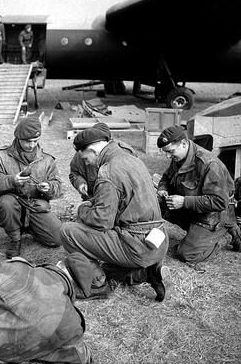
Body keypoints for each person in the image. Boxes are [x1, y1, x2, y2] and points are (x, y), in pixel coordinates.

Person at [61, 127, 170, 302]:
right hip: (158, 241)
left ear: (92, 150)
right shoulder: (132, 159)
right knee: (108, 266)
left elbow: (101, 221)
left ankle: (97, 286)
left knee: (67, 231)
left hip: (137, 244)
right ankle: (146, 273)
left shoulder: (107, 172)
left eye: (86, 158)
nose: (87, 163)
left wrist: (83, 209)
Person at [156, 125, 241, 264]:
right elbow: (166, 177)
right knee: (156, 204)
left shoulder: (209, 164)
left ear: (183, 143)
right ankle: (196, 233)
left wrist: (184, 202)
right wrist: (163, 189)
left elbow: (220, 202)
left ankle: (226, 235)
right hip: (195, 207)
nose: (168, 156)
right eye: (166, 152)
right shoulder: (180, 156)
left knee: (188, 254)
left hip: (216, 215)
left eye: (170, 152)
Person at [0, 116, 62, 258]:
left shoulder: (46, 160)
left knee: (56, 239)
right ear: (18, 138)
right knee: (6, 203)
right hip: (12, 202)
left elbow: (57, 186)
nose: (31, 145)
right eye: (27, 141)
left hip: (35, 205)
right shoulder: (2, 156)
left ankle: (31, 226)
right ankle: (15, 239)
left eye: (35, 141)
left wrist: (49, 187)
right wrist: (12, 180)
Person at [69, 123, 137, 200]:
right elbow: (74, 173)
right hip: (92, 199)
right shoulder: (83, 153)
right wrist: (80, 183)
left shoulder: (125, 153)